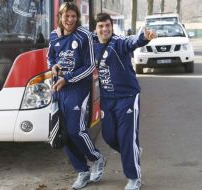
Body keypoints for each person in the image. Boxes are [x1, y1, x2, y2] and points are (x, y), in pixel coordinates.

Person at [93, 13, 157, 190]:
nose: (105, 29)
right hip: (107, 99)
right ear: (96, 29)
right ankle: (133, 151)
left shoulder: (118, 42)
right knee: (109, 136)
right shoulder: (93, 44)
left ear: (112, 27)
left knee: (127, 138)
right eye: (101, 26)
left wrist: (144, 37)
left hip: (127, 97)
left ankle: (134, 178)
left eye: (108, 25)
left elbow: (132, 42)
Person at [47, 2, 106, 190]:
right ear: (60, 17)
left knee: (76, 129)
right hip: (59, 89)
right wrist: (53, 66)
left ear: (77, 17)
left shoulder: (84, 36)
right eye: (67, 16)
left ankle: (96, 158)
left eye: (73, 16)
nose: (70, 20)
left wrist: (68, 79)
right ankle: (82, 171)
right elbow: (50, 57)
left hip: (78, 89)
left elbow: (90, 66)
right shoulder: (53, 36)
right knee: (63, 132)